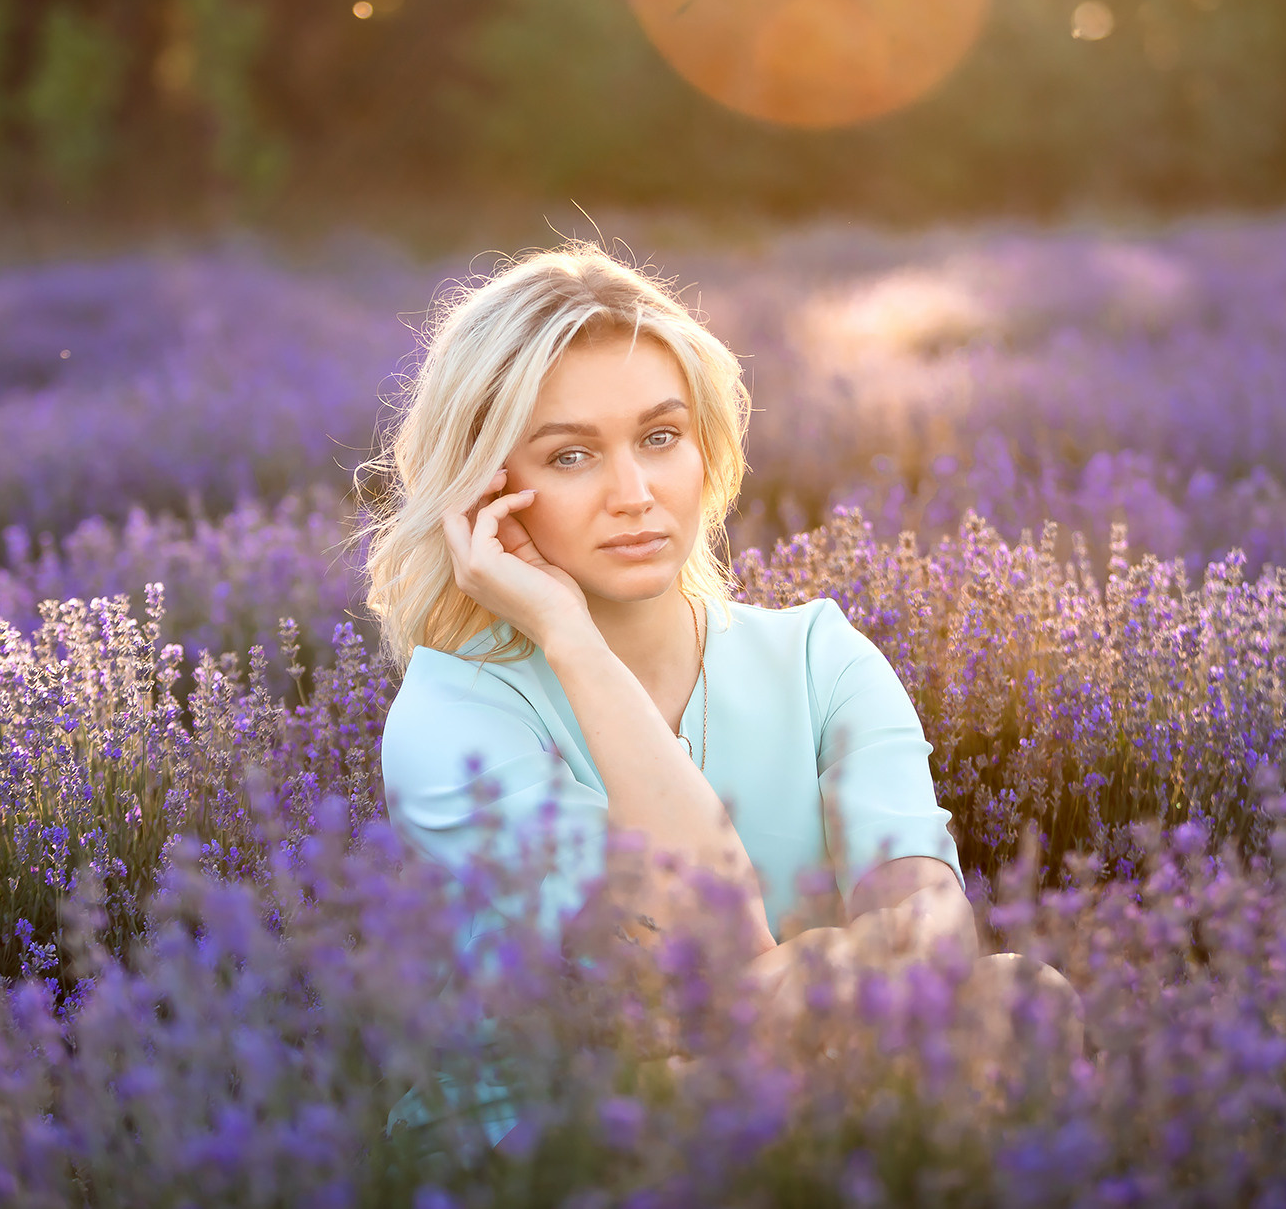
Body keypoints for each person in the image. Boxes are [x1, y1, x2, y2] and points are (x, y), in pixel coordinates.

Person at [363, 243, 1080, 1142]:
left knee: (1024, 995)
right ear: (484, 490)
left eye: (660, 437)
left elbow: (931, 933)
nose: (634, 493)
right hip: (576, 1134)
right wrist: (573, 643)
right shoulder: (454, 714)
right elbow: (698, 954)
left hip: (822, 1086)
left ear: (707, 446)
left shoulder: (818, 657)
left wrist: (822, 992)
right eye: (571, 455)